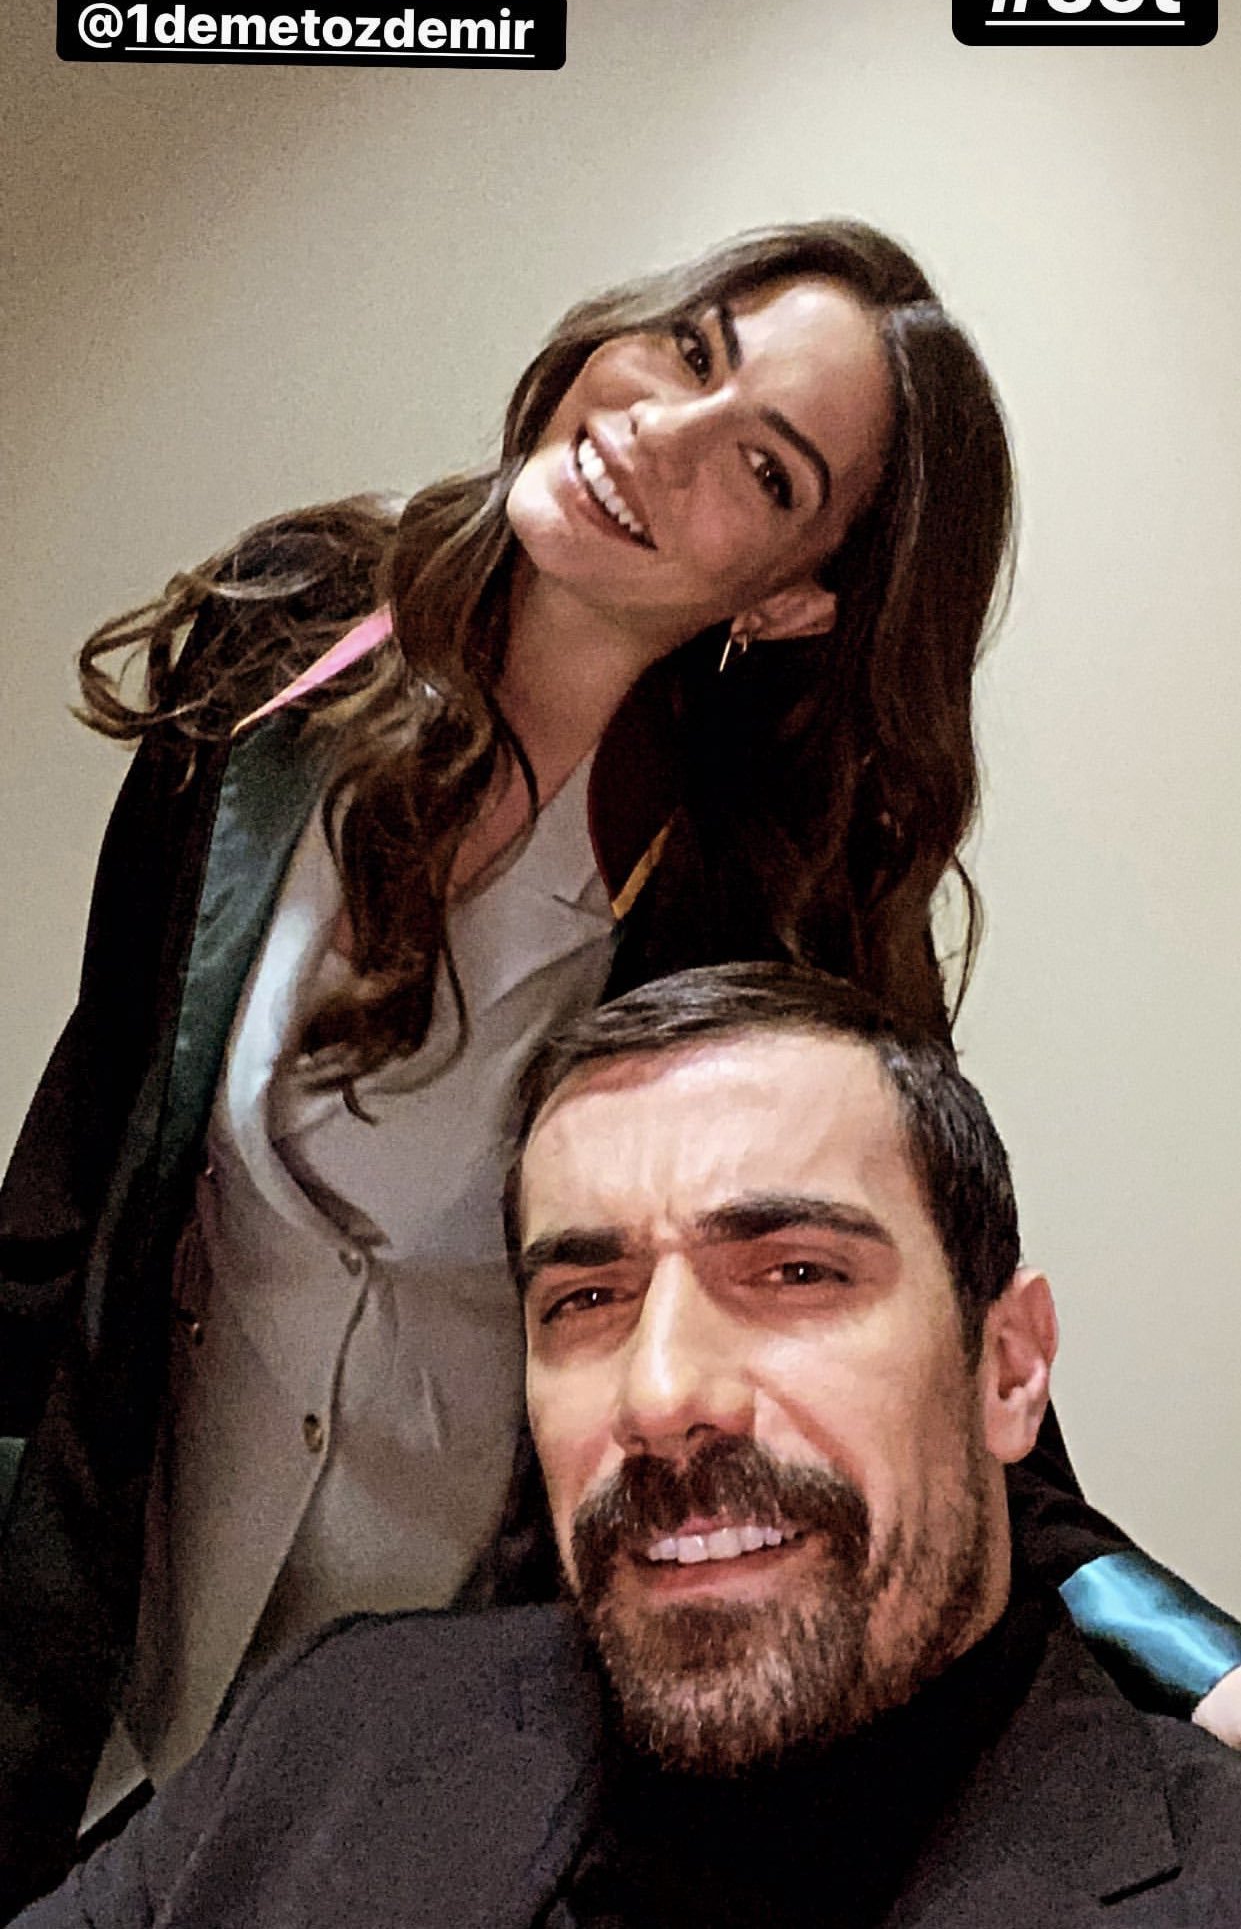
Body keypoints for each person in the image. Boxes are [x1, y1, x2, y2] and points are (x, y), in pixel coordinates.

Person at [0, 221, 1238, 1913]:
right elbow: (87, 1168)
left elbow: (948, 1367)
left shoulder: (758, 898)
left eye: (765, 468)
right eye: (691, 348)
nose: (660, 430)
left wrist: (1199, 1660)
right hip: (115, 1615)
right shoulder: (283, 642)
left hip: (450, 1707)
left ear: (790, 595)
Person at [12, 963, 1241, 1929]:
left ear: (1009, 1368)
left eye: (795, 1272)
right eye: (586, 1299)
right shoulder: (337, 1733)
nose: (658, 1394)